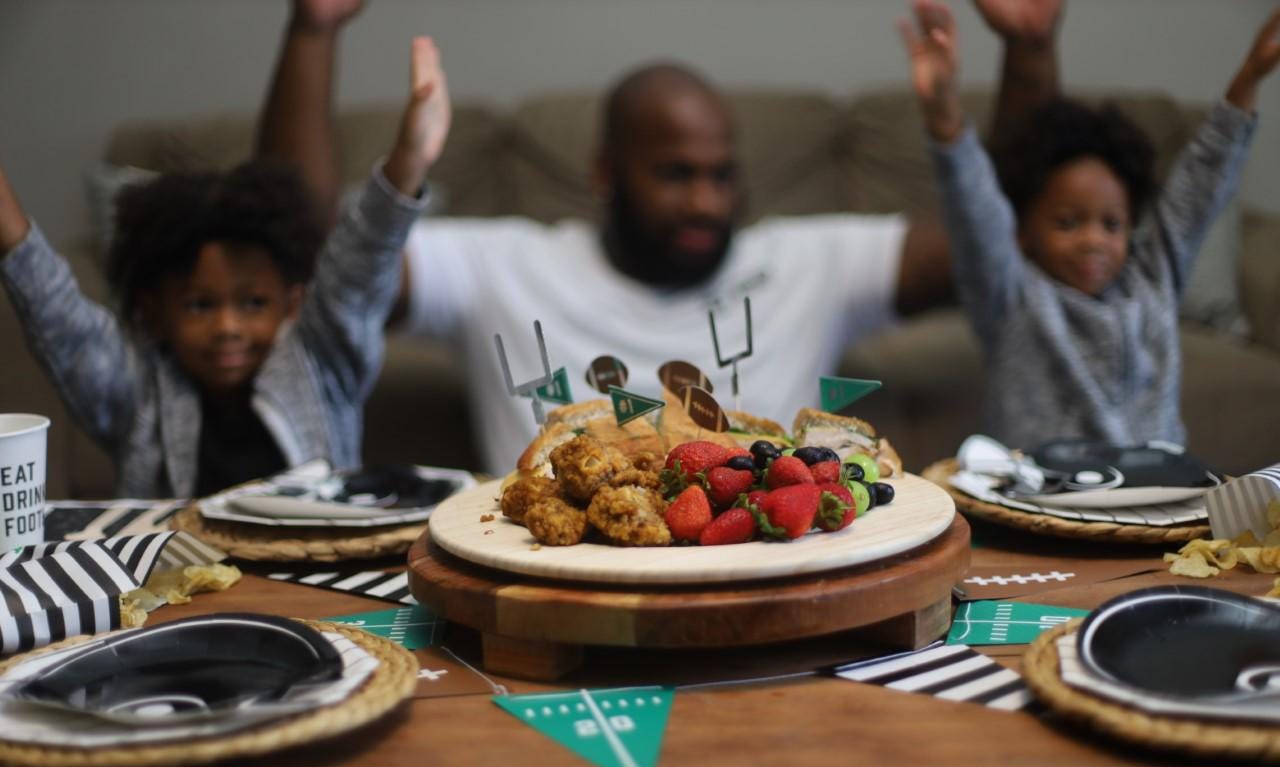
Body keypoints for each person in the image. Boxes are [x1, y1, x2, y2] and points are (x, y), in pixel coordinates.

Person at [259, 0, 1063, 475]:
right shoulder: (502, 265)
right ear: (605, 172)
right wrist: (312, 32)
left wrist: (1029, 54)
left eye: (721, 174)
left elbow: (999, 253)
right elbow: (314, 259)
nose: (706, 201)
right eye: (675, 174)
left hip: (762, 572)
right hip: (557, 585)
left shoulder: (805, 260)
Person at [0, 36, 451, 498]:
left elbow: (360, 264)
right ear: (154, 311)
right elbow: (53, 310)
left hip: (314, 545)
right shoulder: (135, 393)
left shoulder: (321, 362)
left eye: (253, 303)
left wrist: (409, 159)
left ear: (291, 304)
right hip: (175, 546)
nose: (227, 327)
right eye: (200, 305)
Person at [901, 1, 1279, 451]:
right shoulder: (1011, 295)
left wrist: (1251, 75)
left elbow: (1201, 185)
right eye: (1067, 222)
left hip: (1155, 487)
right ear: (1024, 230)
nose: (1093, 240)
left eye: (1111, 224)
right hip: (1041, 490)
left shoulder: (1152, 281)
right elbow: (973, 209)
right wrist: (944, 115)